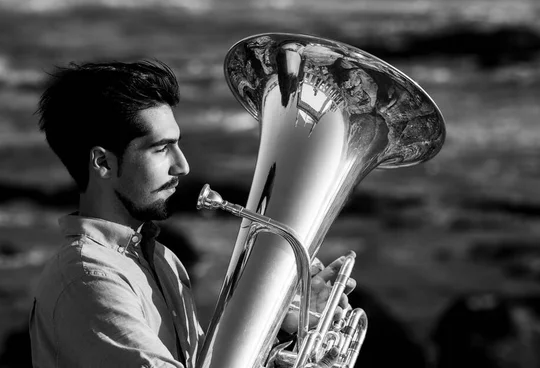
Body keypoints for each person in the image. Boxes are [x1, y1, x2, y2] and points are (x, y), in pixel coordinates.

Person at [28, 60, 356, 368]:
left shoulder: (162, 261)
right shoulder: (89, 278)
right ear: (102, 162)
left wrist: (285, 326)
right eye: (160, 149)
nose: (182, 166)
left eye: (177, 145)